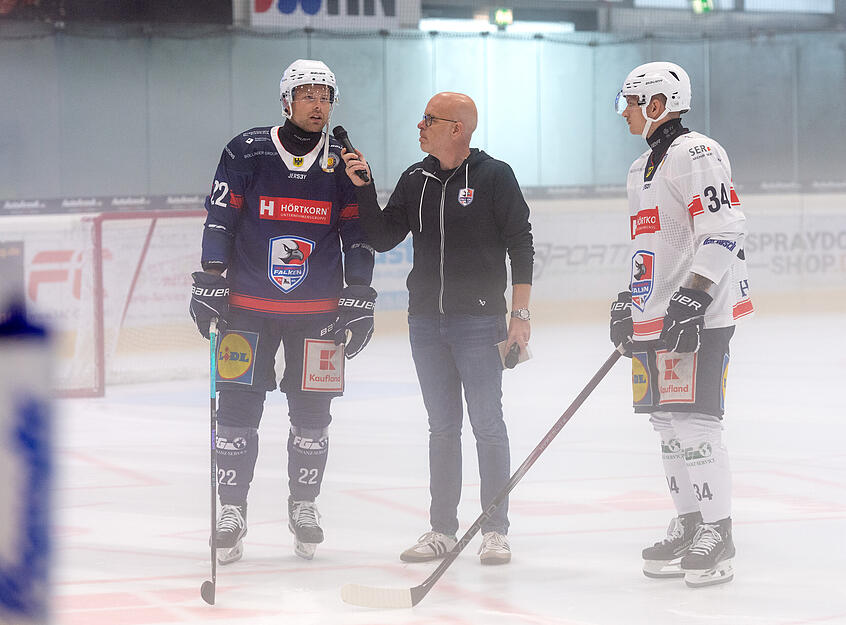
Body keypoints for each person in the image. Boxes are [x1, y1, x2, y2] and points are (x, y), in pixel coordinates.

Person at [189, 59, 376, 564]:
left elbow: (359, 233)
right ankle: (232, 510)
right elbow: (221, 216)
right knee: (234, 413)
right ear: (286, 101)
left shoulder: (343, 161)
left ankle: (304, 505)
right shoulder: (246, 150)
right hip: (246, 309)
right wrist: (210, 277)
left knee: (313, 418)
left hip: (319, 313)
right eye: (307, 94)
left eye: (325, 96)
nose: (318, 105)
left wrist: (360, 293)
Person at [341, 92, 534, 565]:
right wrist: (363, 188)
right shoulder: (415, 178)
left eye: (430, 119)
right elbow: (384, 237)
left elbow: (521, 243)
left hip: (480, 321)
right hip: (426, 322)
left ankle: (494, 529)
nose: (420, 126)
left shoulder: (494, 176)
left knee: (488, 426)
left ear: (458, 129)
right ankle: (442, 530)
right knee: (442, 429)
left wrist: (520, 315)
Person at [610, 62, 754, 587]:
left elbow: (724, 226)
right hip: (658, 315)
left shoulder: (698, 153)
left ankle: (719, 530)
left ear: (656, 103)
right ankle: (691, 521)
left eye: (629, 101)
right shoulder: (639, 168)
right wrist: (631, 299)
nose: (622, 111)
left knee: (695, 423)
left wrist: (694, 297)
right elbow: (650, 247)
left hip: (699, 313)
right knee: (667, 426)